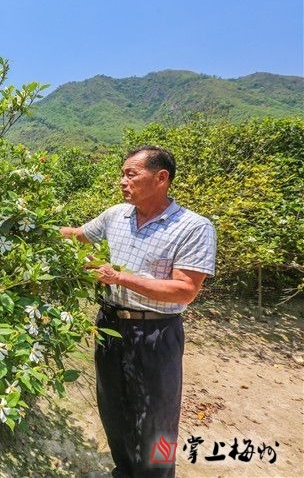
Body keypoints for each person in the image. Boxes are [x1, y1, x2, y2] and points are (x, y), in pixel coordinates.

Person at [60, 145, 216, 478]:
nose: (122, 181)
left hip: (156, 333)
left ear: (161, 178)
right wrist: (30, 224)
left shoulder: (192, 227)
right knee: (114, 407)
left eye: (131, 174)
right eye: (122, 174)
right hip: (111, 325)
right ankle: (125, 470)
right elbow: (78, 236)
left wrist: (118, 278)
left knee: (159, 419)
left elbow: (185, 289)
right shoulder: (116, 215)